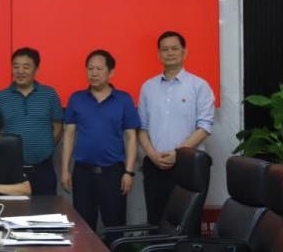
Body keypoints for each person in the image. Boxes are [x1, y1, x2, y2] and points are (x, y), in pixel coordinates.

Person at [138, 31, 215, 225]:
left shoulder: (199, 86)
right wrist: (152, 155)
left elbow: (204, 126)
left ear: (184, 52)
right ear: (159, 54)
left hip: (188, 165)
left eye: (174, 48)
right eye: (165, 49)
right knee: (156, 222)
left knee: (187, 224)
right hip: (155, 165)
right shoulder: (148, 87)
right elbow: (142, 127)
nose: (169, 53)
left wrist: (178, 153)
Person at [61, 50, 139, 231]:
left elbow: (131, 137)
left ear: (111, 72)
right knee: (84, 227)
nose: (94, 73)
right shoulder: (77, 98)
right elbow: (69, 135)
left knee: (115, 226)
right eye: (90, 69)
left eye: (99, 69)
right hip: (83, 173)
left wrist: (129, 172)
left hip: (113, 173)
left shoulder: (123, 99)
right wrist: (65, 170)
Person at [0, 47, 63, 195]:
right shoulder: (1, 97)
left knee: (46, 207)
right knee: (12, 208)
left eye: (26, 67)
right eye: (16, 66)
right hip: (10, 169)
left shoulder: (49, 95)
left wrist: (46, 147)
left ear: (36, 70)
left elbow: (58, 126)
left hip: (43, 169)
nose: (20, 71)